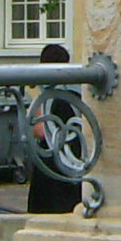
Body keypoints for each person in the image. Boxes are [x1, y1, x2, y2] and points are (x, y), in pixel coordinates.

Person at [26, 42, 82, 214]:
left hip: (51, 163)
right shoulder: (75, 92)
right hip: (74, 160)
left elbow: (40, 132)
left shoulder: (48, 96)